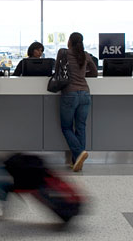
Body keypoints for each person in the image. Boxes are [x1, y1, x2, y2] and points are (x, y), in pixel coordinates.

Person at [56, 32, 97, 172]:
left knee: (66, 127)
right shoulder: (85, 54)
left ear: (69, 41)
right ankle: (77, 162)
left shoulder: (63, 53)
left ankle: (79, 154)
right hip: (85, 93)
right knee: (81, 127)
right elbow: (95, 72)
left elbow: (57, 71)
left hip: (70, 94)